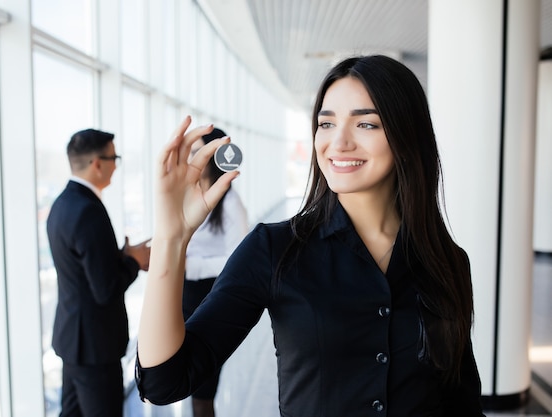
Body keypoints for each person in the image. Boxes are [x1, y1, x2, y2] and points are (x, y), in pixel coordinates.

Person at [135, 55, 485, 416]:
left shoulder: (446, 261)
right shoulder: (273, 250)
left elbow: (463, 400)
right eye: (326, 123)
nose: (339, 142)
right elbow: (165, 382)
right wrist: (171, 239)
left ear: (407, 137)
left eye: (366, 124)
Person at [47, 128, 151, 417]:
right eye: (114, 157)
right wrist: (135, 262)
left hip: (73, 340)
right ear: (97, 163)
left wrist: (122, 255)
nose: (116, 165)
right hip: (95, 345)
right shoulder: (89, 210)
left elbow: (81, 267)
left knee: (71, 413)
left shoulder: (62, 204)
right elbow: (105, 289)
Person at [182, 128, 249, 417]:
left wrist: (191, 266)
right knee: (188, 381)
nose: (193, 157)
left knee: (203, 390)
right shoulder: (188, 194)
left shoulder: (231, 204)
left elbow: (238, 259)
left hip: (208, 298)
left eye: (200, 150)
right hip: (183, 295)